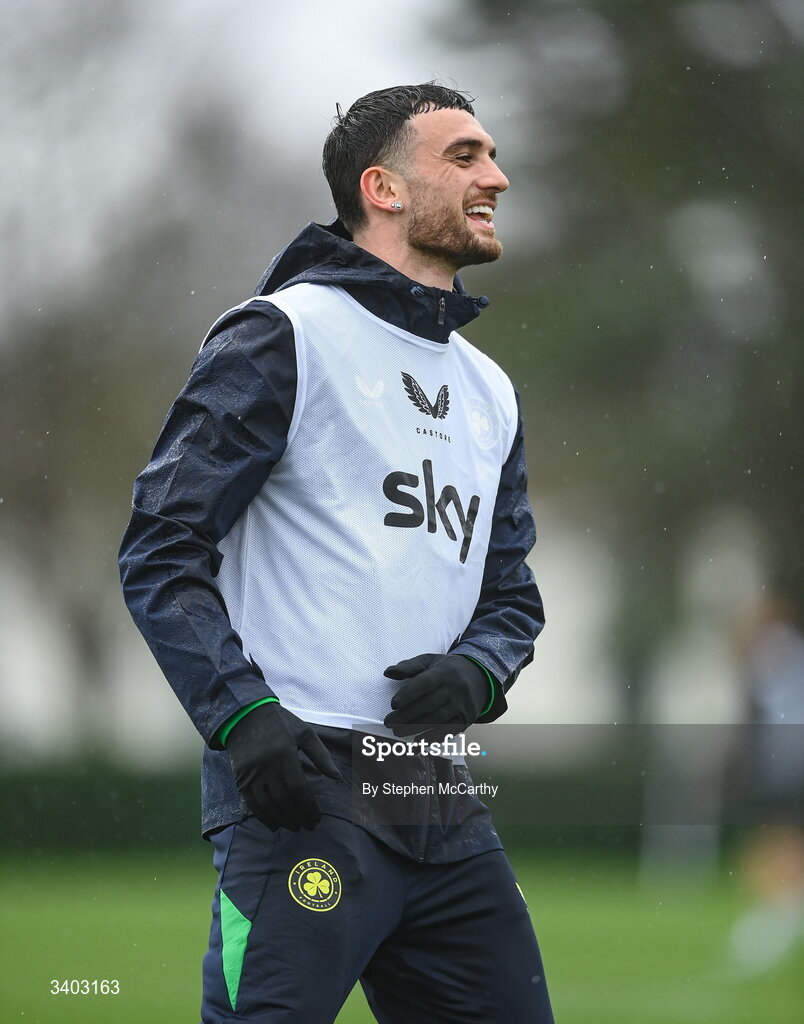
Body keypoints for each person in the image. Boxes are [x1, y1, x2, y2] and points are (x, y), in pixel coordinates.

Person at [119, 82, 554, 1024]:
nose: (498, 177)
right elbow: (161, 547)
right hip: (300, 802)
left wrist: (477, 673)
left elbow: (511, 591)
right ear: (383, 189)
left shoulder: (492, 390)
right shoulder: (283, 333)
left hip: (443, 805)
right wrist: (244, 720)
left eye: (492, 156)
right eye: (466, 157)